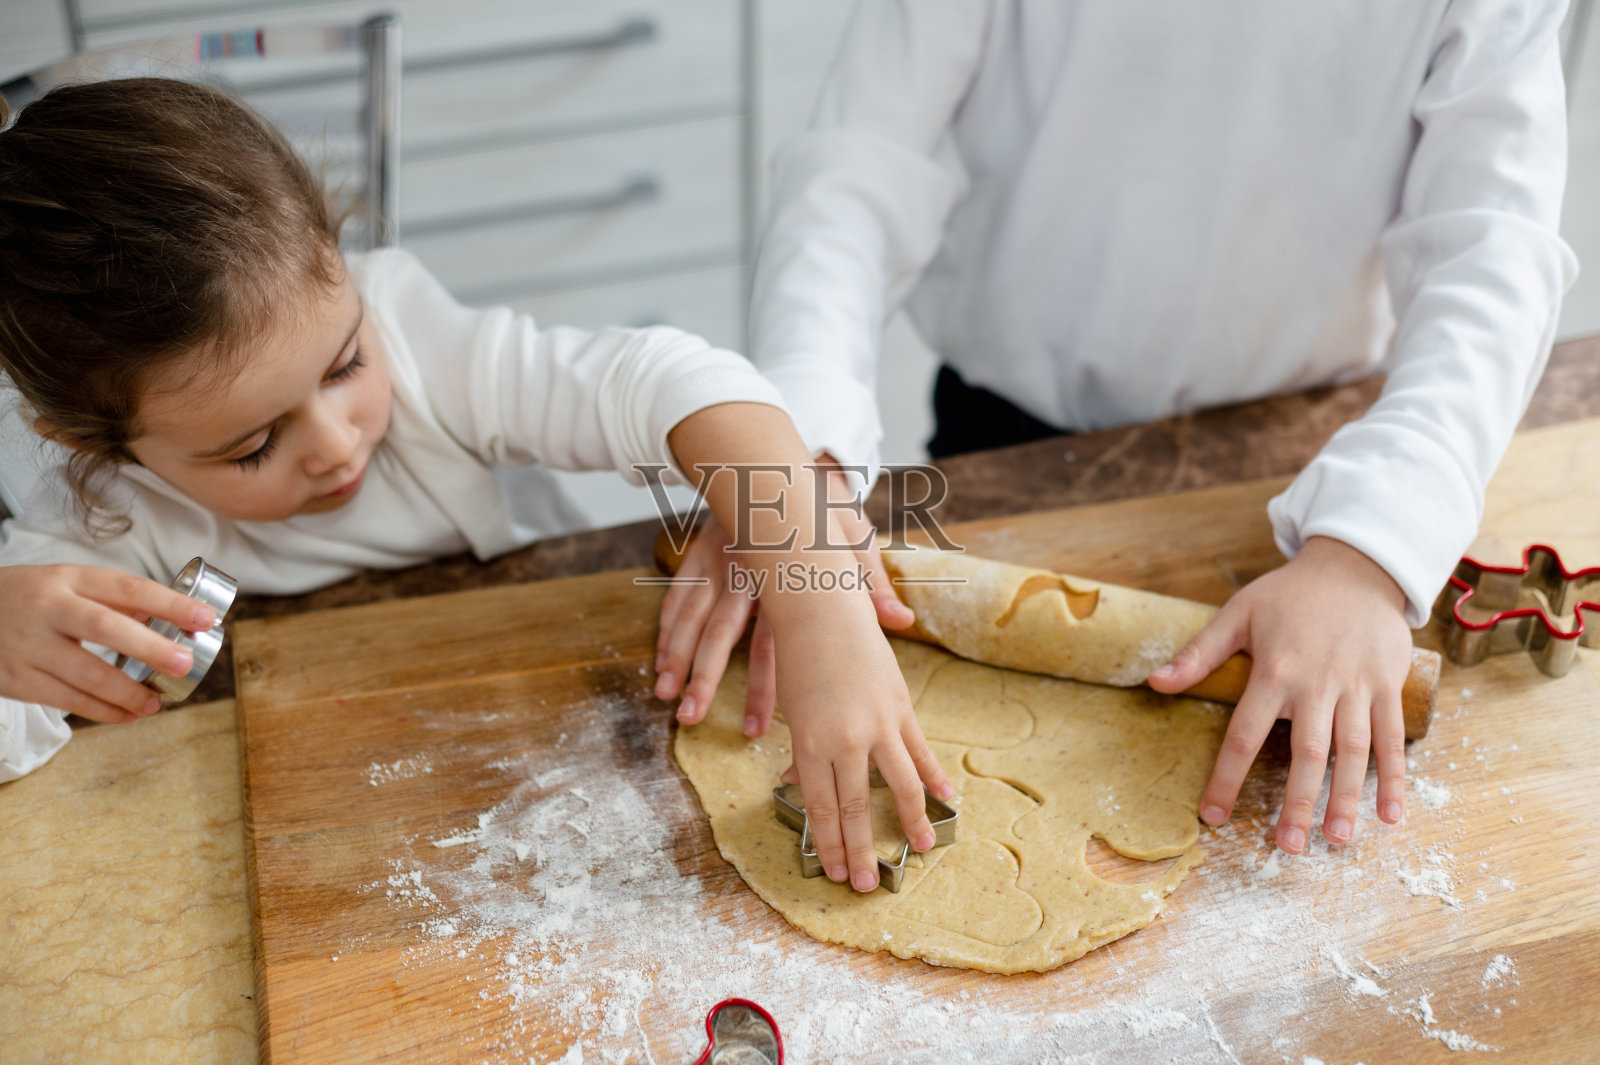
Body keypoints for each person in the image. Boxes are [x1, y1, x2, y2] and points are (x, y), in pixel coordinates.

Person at [657, 0, 1576, 857]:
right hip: (1006, 440)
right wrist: (792, 468)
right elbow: (859, 162)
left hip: (1298, 471)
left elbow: (1491, 242)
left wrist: (1375, 544)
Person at [0, 79, 953, 891]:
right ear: (100, 443)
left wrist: (822, 607)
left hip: (548, 673)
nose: (336, 444)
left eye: (343, 365)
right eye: (253, 445)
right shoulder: (95, 534)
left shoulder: (423, 347)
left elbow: (677, 381)